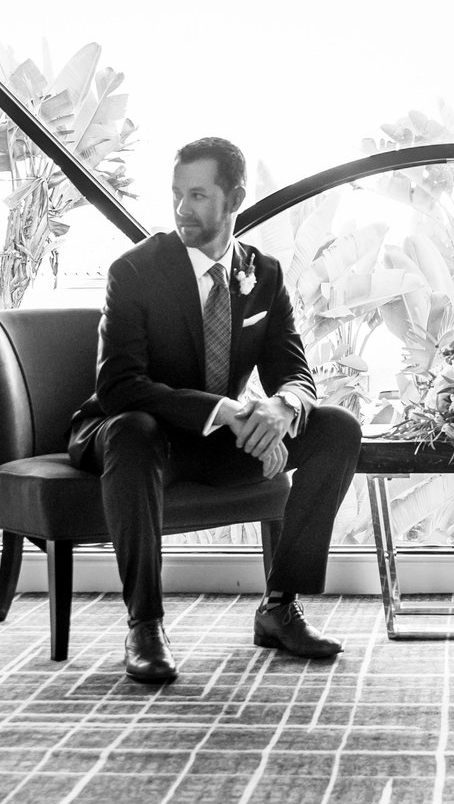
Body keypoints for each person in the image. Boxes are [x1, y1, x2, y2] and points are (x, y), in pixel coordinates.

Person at [69, 137, 362, 680]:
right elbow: (119, 387)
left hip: (213, 443)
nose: (182, 208)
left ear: (235, 199)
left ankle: (280, 606)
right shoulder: (135, 271)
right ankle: (144, 625)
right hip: (133, 435)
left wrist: (280, 410)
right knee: (133, 430)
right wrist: (225, 410)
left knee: (336, 429)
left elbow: (296, 374)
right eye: (177, 193)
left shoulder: (263, 275)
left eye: (198, 195)